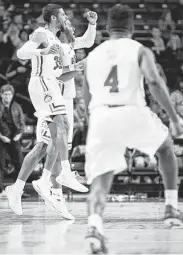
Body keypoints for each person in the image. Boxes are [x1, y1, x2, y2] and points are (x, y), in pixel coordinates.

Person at [83, 4, 183, 254]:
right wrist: (174, 117)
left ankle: (95, 228)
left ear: (107, 27)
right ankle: (171, 205)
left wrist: (95, 121)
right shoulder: (139, 49)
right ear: (132, 27)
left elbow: (86, 94)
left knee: (101, 179)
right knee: (166, 148)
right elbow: (153, 81)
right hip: (131, 110)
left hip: (101, 115)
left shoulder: (93, 55)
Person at [5, 9, 97, 218]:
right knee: (45, 146)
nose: (69, 20)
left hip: (59, 95)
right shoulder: (42, 34)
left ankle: (48, 187)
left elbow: (67, 71)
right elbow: (21, 54)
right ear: (55, 18)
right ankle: (54, 180)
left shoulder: (65, 44)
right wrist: (40, 52)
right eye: (64, 16)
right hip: (45, 89)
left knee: (56, 143)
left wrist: (77, 67)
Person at [0, 84, 25, 195]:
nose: (7, 97)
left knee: (19, 163)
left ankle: (18, 190)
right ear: (1, 95)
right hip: (1, 138)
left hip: (14, 138)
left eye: (9, 94)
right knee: (0, 164)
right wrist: (1, 137)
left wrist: (19, 135)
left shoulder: (16, 106)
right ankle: (0, 190)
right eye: (5, 94)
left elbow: (22, 123)